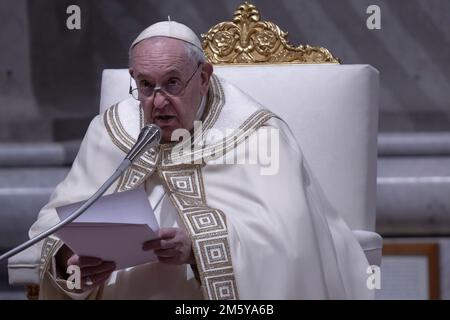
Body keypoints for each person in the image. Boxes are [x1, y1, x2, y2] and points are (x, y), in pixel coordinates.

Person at [28, 21, 373, 299]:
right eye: (146, 86)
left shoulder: (257, 133)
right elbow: (53, 225)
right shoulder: (110, 130)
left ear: (204, 78)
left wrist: (199, 250)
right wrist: (71, 263)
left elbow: (291, 243)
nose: (158, 102)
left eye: (172, 83)